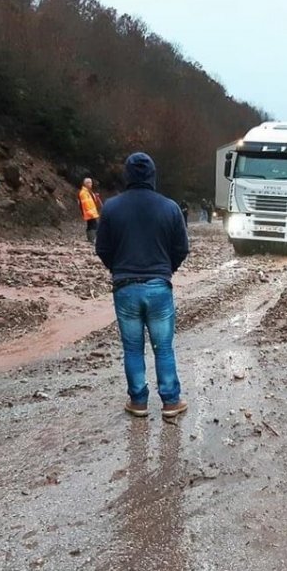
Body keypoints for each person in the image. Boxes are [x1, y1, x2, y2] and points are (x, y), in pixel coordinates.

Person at [95, 153, 190, 419]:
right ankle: (171, 402)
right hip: (159, 285)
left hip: (125, 286)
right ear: (152, 175)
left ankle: (138, 401)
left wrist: (118, 269)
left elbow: (102, 248)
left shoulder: (111, 208)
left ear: (127, 175)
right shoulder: (170, 207)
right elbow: (182, 248)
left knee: (133, 348)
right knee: (163, 347)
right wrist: (166, 270)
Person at [78, 177, 103, 243]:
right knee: (93, 225)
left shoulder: (88, 192)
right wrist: (90, 212)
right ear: (86, 183)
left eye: (91, 182)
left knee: (91, 225)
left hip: (91, 212)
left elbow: (92, 200)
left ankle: (90, 239)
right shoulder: (83, 193)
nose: (91, 184)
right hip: (89, 212)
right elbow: (86, 203)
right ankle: (92, 239)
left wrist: (95, 196)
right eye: (90, 183)